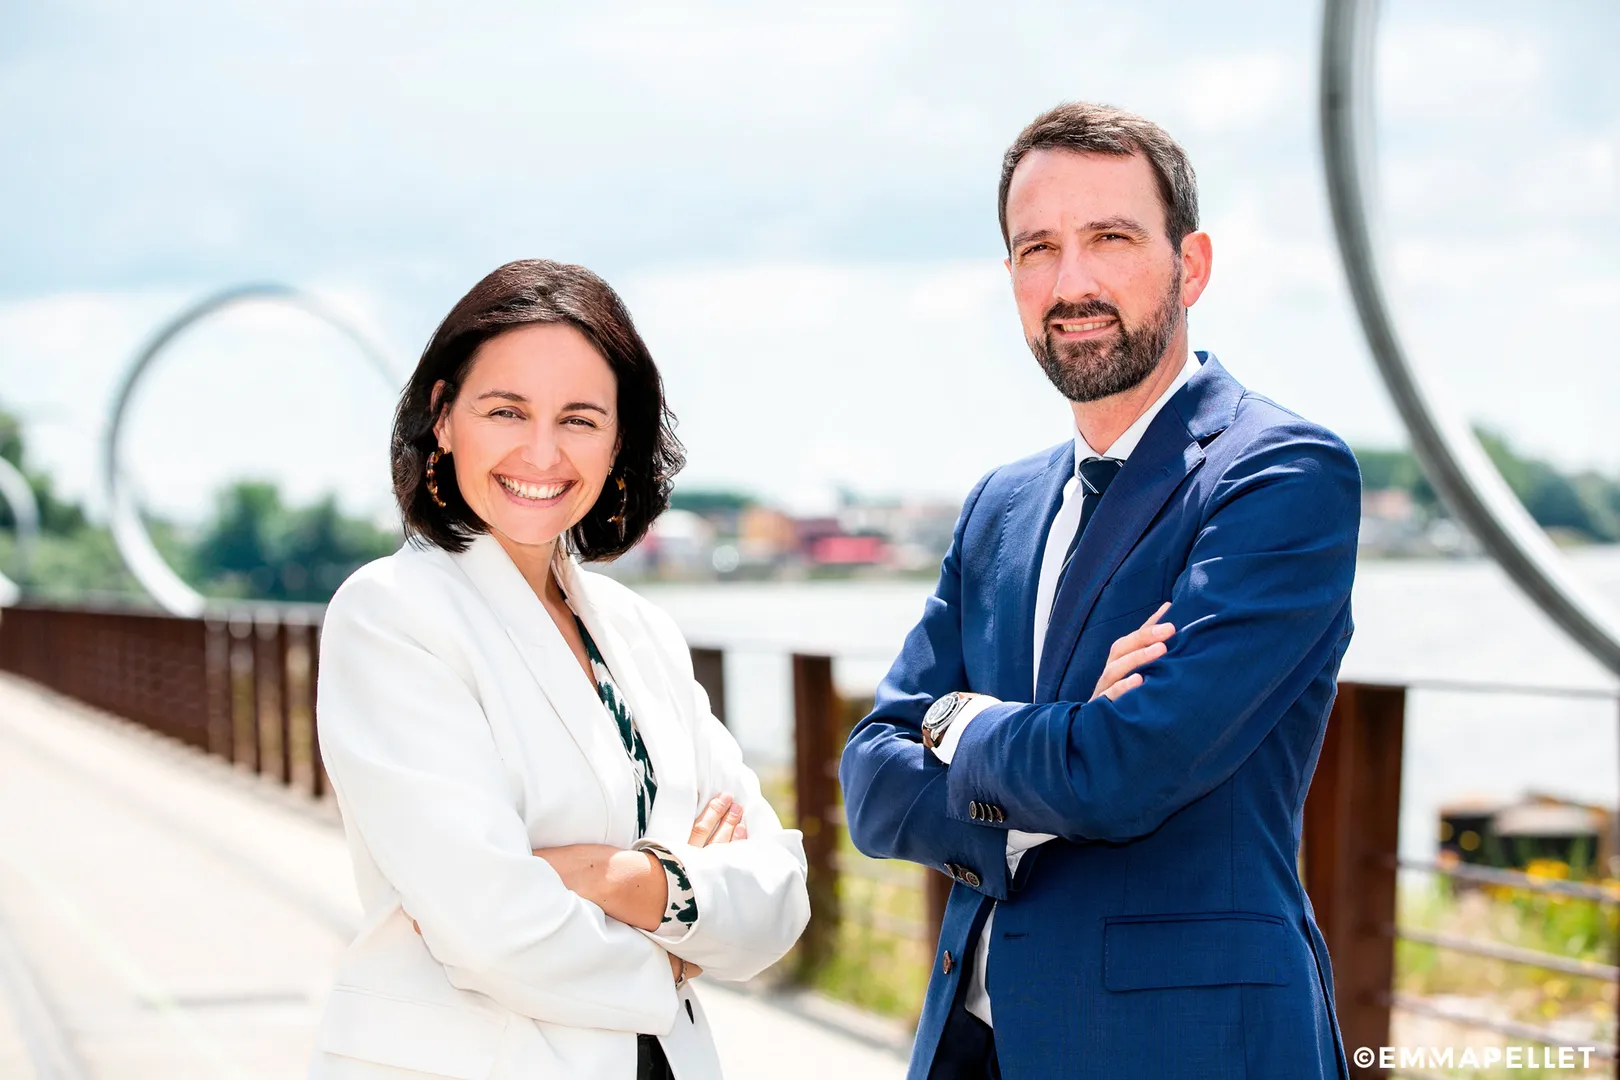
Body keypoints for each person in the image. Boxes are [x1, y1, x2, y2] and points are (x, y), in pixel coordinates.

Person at [839, 102, 1358, 1080]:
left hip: (1188, 1049)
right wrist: (1043, 754)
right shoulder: (1000, 506)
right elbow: (870, 779)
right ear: (1011, 280)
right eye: (1038, 248)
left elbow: (1132, 766)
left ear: (1190, 264)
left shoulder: (1280, 476)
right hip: (973, 1043)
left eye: (1110, 238)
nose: (1070, 282)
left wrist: (958, 727)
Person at [311, 259, 810, 1080]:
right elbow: (492, 929)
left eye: (579, 419)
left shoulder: (640, 632)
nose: (541, 452)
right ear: (443, 417)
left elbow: (778, 894)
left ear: (620, 439)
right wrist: (682, 939)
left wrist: (620, 879)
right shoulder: (393, 614)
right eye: (506, 410)